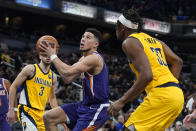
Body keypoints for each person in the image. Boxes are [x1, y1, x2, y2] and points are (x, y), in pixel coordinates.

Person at [107, 9, 184, 131]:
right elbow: (178, 62)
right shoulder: (156, 41)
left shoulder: (129, 42)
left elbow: (147, 75)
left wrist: (122, 101)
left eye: (116, 27)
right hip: (177, 95)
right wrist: (170, 88)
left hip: (162, 95)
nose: (115, 30)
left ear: (122, 27)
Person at [40, 28, 110, 131]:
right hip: (84, 105)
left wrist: (53, 56)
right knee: (49, 117)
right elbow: (67, 79)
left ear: (95, 44)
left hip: (97, 108)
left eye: (88, 37)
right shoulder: (82, 59)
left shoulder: (95, 58)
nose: (83, 39)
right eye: (82, 36)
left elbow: (67, 71)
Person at [6, 35, 58, 131]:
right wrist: (10, 109)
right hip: (27, 110)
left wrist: (59, 114)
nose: (47, 57)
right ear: (40, 56)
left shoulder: (53, 77)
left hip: (42, 114)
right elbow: (13, 86)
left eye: (49, 55)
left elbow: (52, 98)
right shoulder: (31, 69)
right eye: (44, 54)